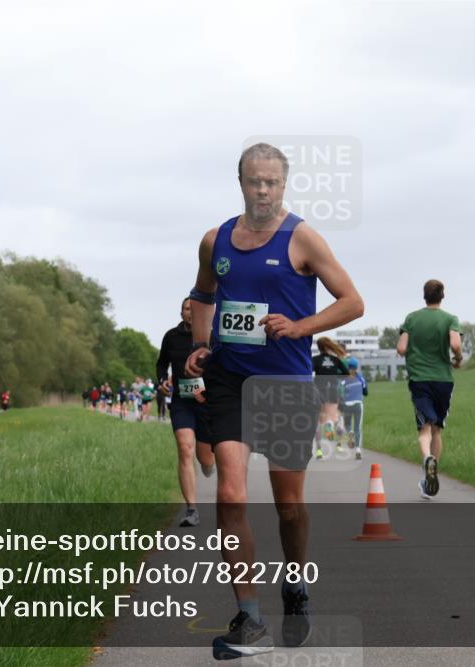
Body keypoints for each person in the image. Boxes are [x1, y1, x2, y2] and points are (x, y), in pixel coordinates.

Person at [183, 143, 364, 659]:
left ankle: (296, 584)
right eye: (254, 181)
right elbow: (203, 294)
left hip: (285, 385)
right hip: (230, 381)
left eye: (272, 182)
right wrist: (201, 344)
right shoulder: (215, 240)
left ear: (284, 185)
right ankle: (251, 619)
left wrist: (301, 327)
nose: (262, 191)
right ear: (240, 182)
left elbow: (353, 301)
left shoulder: (302, 237)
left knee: (289, 506)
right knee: (230, 495)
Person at [396, 279, 463, 499]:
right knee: (437, 430)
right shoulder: (450, 319)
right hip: (443, 379)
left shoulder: (412, 318)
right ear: (442, 296)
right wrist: (458, 358)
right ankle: (431, 477)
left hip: (419, 379)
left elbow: (401, 348)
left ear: (424, 296)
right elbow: (455, 344)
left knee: (424, 429)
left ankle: (427, 460)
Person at [156, 297, 217, 527]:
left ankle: (208, 463)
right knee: (184, 448)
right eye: (186, 308)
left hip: (207, 403)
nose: (190, 312)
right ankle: (192, 509)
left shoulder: (213, 337)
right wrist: (162, 380)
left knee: (206, 460)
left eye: (194, 308)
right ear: (181, 312)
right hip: (182, 401)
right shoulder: (171, 336)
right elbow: (161, 364)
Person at [311, 337, 349, 459]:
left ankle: (319, 450)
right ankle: (333, 429)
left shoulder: (315, 359)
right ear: (328, 346)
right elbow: (346, 373)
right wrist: (334, 376)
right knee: (335, 417)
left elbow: (307, 372)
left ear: (319, 347)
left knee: (318, 420)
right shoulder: (335, 359)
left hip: (319, 391)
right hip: (332, 390)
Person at [341, 357, 368, 460]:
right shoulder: (361, 378)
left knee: (347, 424)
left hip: (347, 404)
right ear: (357, 367)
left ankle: (349, 432)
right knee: (358, 428)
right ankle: (358, 450)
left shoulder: (344, 379)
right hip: (358, 404)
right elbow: (366, 392)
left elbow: (340, 393)